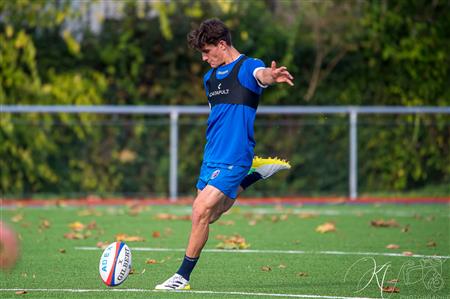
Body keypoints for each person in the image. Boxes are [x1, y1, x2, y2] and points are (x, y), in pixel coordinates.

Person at [155, 18, 294, 290]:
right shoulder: (209, 79)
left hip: (235, 152)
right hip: (212, 154)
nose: (204, 58)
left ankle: (181, 277)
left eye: (207, 52)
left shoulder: (247, 67)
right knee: (212, 214)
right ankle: (253, 175)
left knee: (199, 211)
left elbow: (261, 75)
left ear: (222, 44)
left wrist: (271, 76)